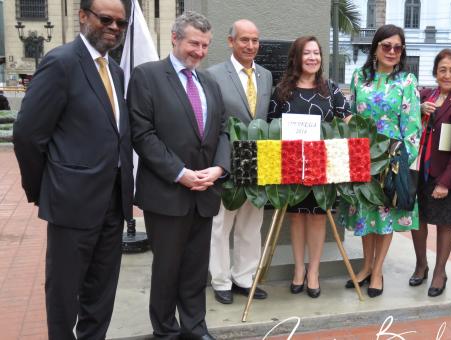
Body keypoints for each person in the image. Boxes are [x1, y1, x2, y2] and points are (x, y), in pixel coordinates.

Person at [12, 0, 133, 338]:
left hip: (113, 203)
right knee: (64, 295)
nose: (113, 28)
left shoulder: (117, 71)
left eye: (120, 23)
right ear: (83, 16)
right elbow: (28, 135)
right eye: (106, 19)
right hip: (72, 204)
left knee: (101, 294)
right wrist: (44, 189)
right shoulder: (61, 63)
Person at [128, 11, 229, 340]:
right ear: (174, 38)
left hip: (205, 193)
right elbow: (143, 135)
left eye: (205, 45)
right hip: (167, 194)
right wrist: (180, 173)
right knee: (167, 269)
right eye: (193, 43)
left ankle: (195, 328)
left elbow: (224, 131)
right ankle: (166, 331)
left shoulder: (210, 82)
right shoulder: (147, 76)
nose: (199, 51)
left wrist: (219, 168)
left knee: (196, 270)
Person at [339, 24, 421, 298]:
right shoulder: (359, 78)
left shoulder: (407, 81)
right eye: (386, 46)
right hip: (362, 156)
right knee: (365, 214)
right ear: (375, 48)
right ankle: (365, 266)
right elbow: (350, 114)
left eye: (398, 47)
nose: (392, 51)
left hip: (391, 159)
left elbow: (412, 126)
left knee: (385, 216)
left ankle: (378, 271)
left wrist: (403, 160)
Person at [268, 36, 351, 298]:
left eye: (316, 53)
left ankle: (313, 272)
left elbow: (347, 117)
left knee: (317, 218)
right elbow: (271, 127)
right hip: (292, 164)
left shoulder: (331, 89)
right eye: (307, 53)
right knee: (295, 218)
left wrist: (353, 126)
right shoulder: (282, 90)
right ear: (297, 57)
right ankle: (298, 270)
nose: (313, 57)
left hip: (322, 165)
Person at [206, 19, 272, 305]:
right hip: (226, 160)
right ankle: (220, 281)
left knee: (251, 223)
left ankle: (244, 279)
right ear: (231, 41)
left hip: (259, 161)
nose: (251, 46)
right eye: (244, 40)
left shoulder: (266, 75)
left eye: (255, 40)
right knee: (221, 225)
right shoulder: (212, 75)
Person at [409, 49, 451, 297]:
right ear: (435, 72)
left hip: (448, 173)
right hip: (419, 170)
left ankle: (440, 271)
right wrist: (418, 110)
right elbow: (406, 123)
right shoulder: (425, 95)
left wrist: (446, 181)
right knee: (418, 219)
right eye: (442, 70)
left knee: (445, 222)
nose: (447, 75)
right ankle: (421, 264)